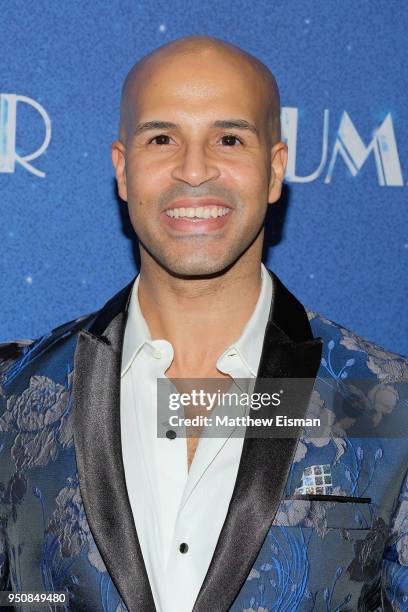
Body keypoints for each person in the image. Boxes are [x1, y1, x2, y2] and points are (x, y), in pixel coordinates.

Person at [0, 34, 407, 612]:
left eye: (229, 138)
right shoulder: (15, 394)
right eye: (163, 138)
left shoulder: (388, 403)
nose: (194, 170)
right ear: (123, 170)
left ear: (274, 170)